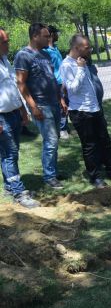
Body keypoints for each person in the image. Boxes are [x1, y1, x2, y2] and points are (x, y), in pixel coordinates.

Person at [60, 33, 111, 188]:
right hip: (81, 111)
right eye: (86, 47)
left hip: (94, 108)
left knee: (105, 140)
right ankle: (95, 177)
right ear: (76, 48)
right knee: (90, 145)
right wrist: (80, 69)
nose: (90, 49)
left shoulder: (84, 61)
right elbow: (72, 89)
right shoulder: (67, 65)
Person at [15, 23, 66, 189]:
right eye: (45, 36)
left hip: (54, 103)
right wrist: (33, 106)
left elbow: (51, 79)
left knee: (55, 139)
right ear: (35, 36)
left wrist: (60, 99)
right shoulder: (23, 55)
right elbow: (21, 83)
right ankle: (49, 177)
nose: (49, 38)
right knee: (50, 140)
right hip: (41, 105)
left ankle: (52, 170)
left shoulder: (45, 54)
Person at [0, 28, 40, 208]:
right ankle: (18, 192)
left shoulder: (4, 61)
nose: (8, 44)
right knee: (9, 154)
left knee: (11, 152)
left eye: (7, 41)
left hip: (14, 113)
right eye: (5, 42)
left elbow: (13, 88)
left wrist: (23, 110)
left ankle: (10, 186)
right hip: (2, 117)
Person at [43, 25, 70, 139]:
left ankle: (64, 126)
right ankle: (62, 129)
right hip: (55, 83)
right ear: (52, 34)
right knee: (61, 105)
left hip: (63, 81)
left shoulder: (56, 48)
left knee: (65, 104)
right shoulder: (45, 51)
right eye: (57, 33)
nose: (58, 35)